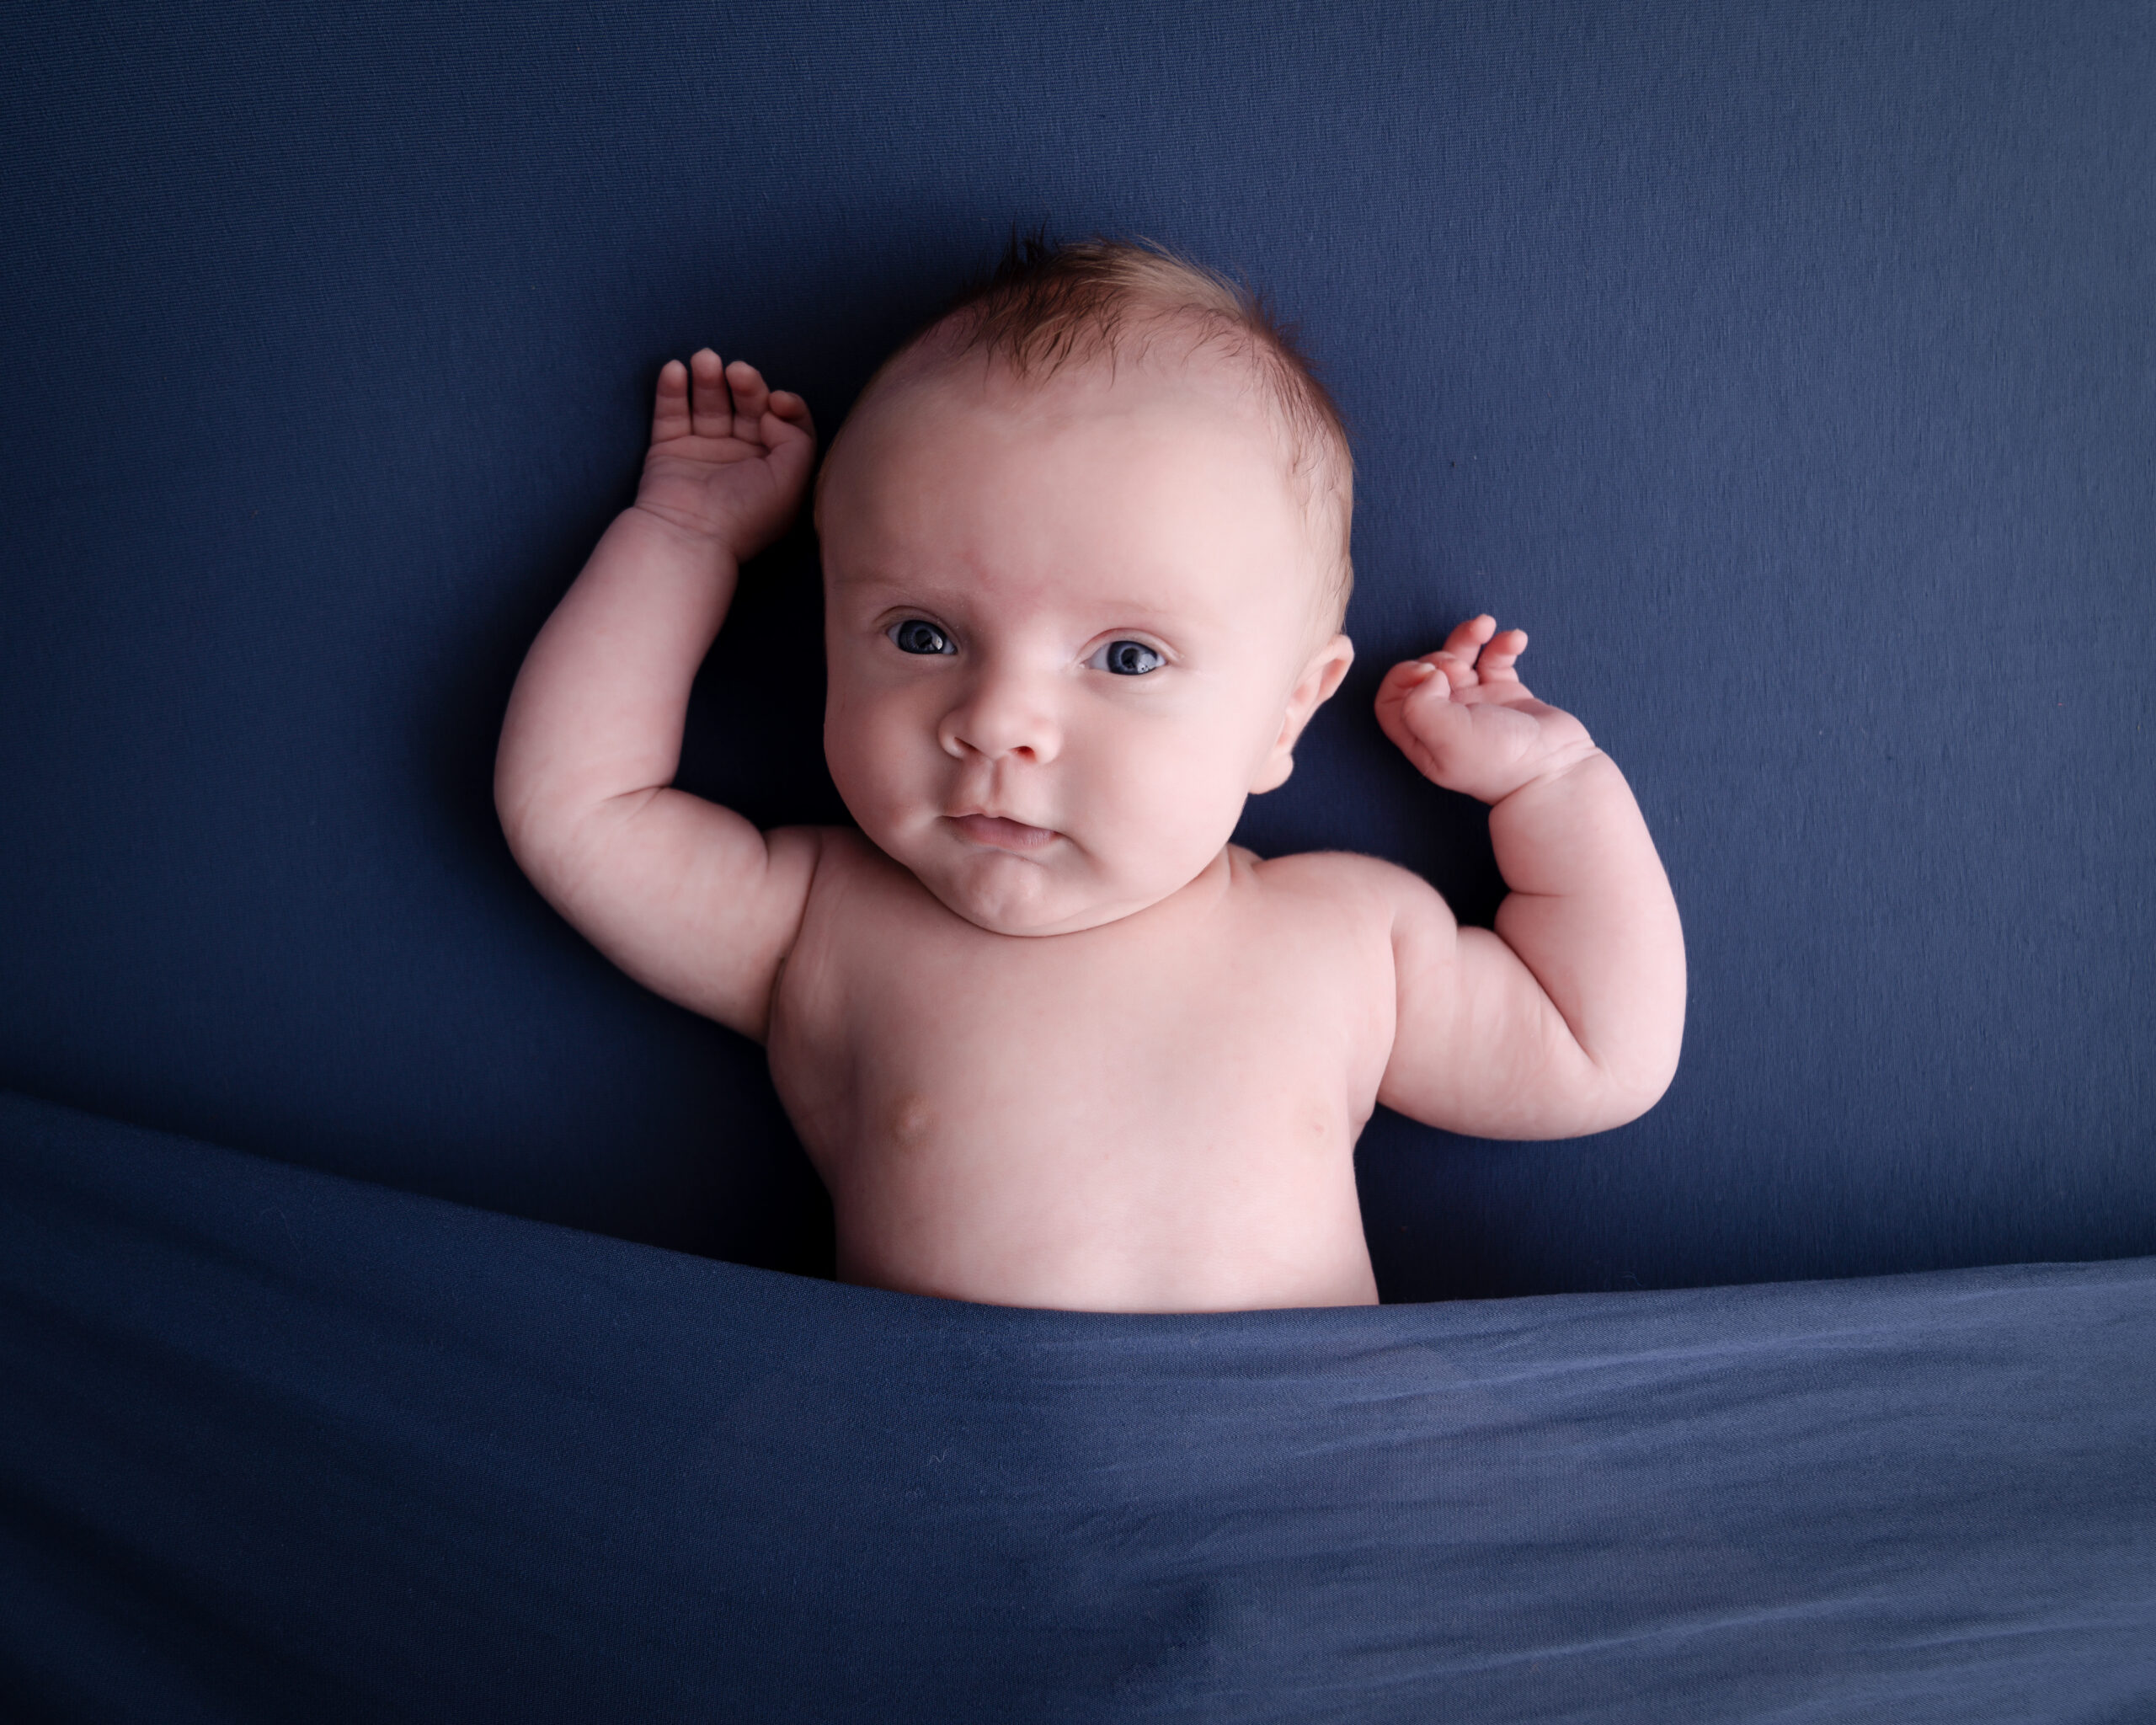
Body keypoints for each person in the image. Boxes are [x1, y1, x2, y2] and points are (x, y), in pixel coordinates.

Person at [494, 237, 1686, 1312]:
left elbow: (1596, 1051)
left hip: (1317, 1467)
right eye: (922, 635)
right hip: (955, 1463)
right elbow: (578, 809)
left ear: (1289, 709)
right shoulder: (819, 924)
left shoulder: (1346, 935)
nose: (996, 723)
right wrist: (686, 539)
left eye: (1127, 658)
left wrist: (1553, 783)